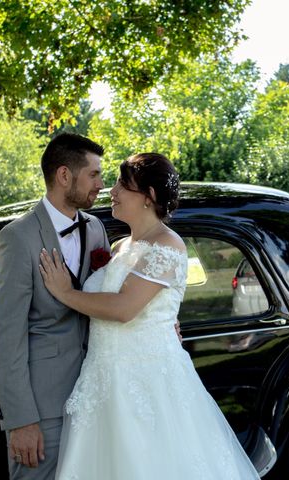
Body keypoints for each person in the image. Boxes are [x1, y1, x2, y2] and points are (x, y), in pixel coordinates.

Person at [39, 153, 261, 479]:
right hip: (103, 379)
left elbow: (125, 308)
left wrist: (66, 294)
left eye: (122, 185)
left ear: (149, 197)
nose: (111, 191)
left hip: (147, 382)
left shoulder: (168, 246)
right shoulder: (121, 247)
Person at [0, 132, 110, 479]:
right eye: (94, 174)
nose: (101, 184)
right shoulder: (18, 237)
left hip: (95, 394)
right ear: (64, 176)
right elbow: (5, 337)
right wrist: (21, 419)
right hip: (43, 407)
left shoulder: (97, 228)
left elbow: (110, 297)